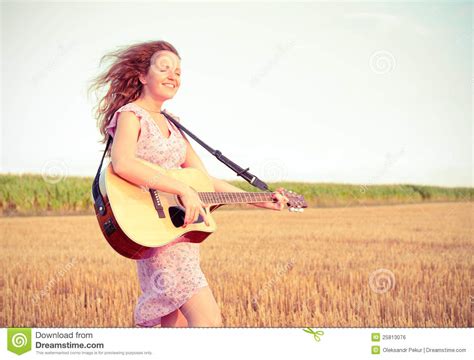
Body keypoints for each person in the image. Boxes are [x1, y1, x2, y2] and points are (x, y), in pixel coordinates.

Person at [88, 40, 289, 327]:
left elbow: (203, 181)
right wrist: (181, 189)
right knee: (209, 324)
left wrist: (261, 199)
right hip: (156, 237)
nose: (174, 76)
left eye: (179, 72)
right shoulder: (132, 115)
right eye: (165, 68)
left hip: (180, 237)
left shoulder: (174, 124)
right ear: (143, 75)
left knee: (176, 331)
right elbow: (122, 163)